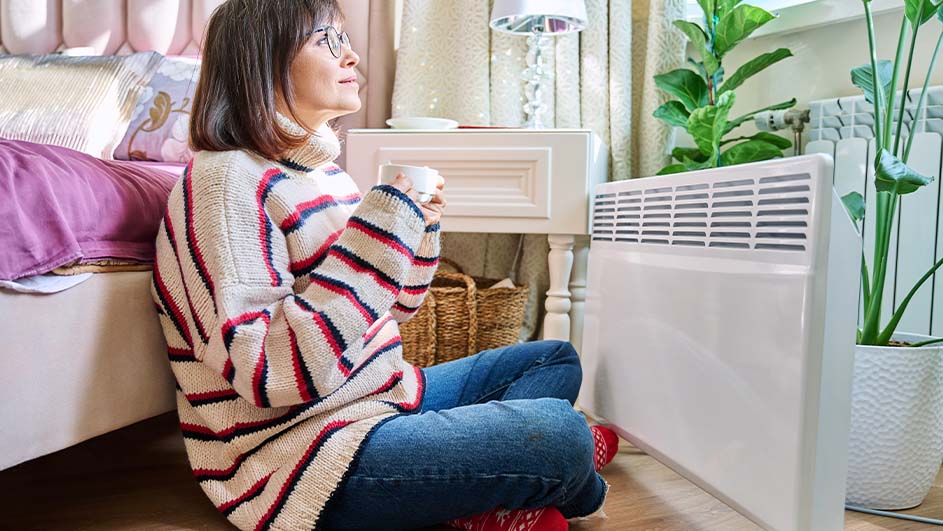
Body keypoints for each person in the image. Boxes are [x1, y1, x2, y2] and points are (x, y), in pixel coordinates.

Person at [151, 1, 618, 530]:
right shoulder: (223, 182)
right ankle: (544, 481)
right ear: (265, 59)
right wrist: (380, 232)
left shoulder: (325, 175)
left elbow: (395, 310)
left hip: (380, 397)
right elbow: (268, 373)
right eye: (327, 40)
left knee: (553, 360)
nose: (351, 55)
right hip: (299, 457)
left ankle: (490, 495)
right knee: (562, 434)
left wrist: (418, 229)